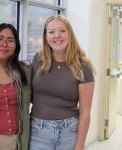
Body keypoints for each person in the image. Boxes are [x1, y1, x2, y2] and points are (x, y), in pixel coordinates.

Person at [29, 15, 95, 150]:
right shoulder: (38, 59)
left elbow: (85, 112)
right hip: (38, 130)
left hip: (69, 131)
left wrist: (80, 146)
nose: (57, 36)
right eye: (51, 32)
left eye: (62, 31)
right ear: (45, 36)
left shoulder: (83, 66)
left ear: (69, 33)